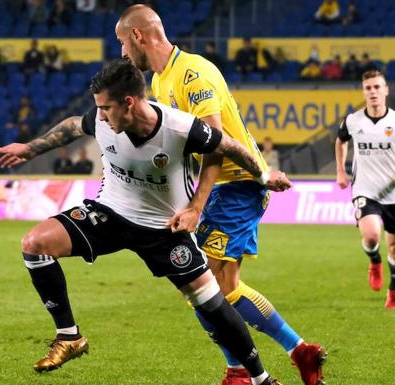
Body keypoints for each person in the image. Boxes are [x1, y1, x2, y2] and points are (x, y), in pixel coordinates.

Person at [0, 59, 287, 385]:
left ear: (129, 103)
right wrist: (29, 149)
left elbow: (227, 146)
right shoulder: (102, 120)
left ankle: (261, 379)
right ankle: (69, 336)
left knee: (211, 302)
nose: (101, 116)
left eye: (106, 108)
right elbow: (73, 126)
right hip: (110, 214)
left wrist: (262, 175)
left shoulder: (179, 128)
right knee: (35, 245)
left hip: (164, 229)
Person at [115, 5, 325, 385]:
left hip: (238, 186)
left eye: (121, 44)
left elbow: (215, 144)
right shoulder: (162, 82)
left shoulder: (193, 74)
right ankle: (300, 352)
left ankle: (240, 372)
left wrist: (197, 205)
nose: (122, 55)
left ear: (137, 36)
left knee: (204, 282)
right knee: (222, 287)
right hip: (222, 190)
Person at [335, 69, 395, 309]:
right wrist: (340, 169)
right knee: (370, 235)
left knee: (394, 246)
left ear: (386, 90)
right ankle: (374, 261)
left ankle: (392, 289)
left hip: (393, 193)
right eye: (368, 88)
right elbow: (340, 141)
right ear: (364, 92)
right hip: (365, 190)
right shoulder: (352, 121)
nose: (373, 92)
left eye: (377, 87)